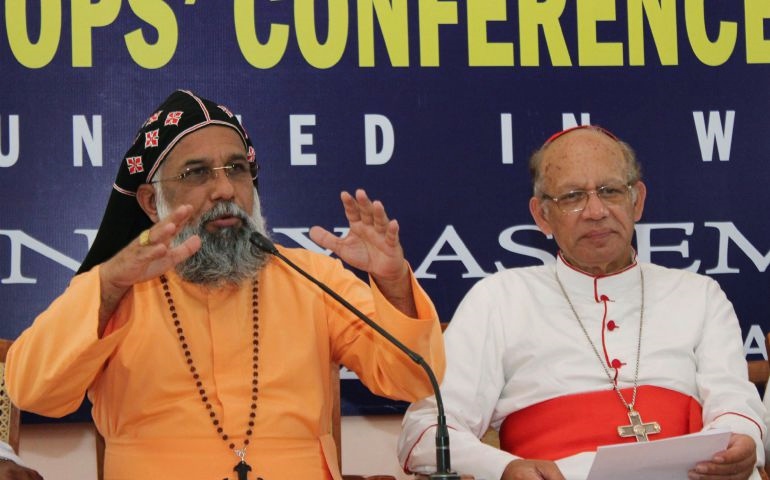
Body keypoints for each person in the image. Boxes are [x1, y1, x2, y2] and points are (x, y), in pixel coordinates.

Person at [5, 90, 445, 480]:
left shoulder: (311, 278)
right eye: (196, 173)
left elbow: (412, 380)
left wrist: (392, 283)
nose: (223, 189)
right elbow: (32, 390)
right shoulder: (119, 288)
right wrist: (106, 286)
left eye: (236, 169)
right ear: (150, 202)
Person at [397, 125, 766, 480]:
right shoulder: (499, 298)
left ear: (637, 201)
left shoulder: (699, 294)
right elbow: (424, 431)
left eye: (610, 191)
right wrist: (504, 469)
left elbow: (734, 404)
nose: (595, 211)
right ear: (542, 215)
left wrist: (742, 442)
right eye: (572, 197)